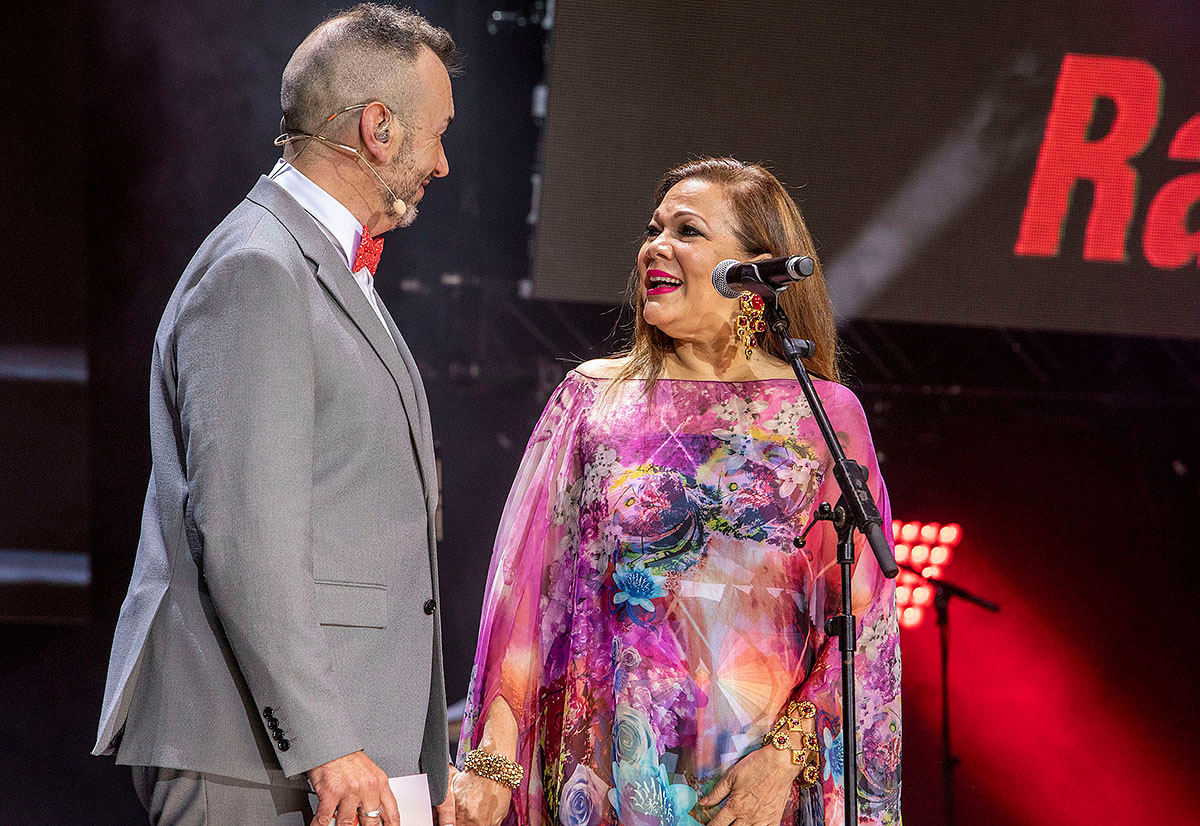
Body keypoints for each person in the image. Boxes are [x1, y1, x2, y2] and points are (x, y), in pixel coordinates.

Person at [93, 5, 460, 825]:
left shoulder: (318, 263)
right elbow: (245, 531)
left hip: (330, 747)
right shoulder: (259, 269)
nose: (442, 163)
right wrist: (326, 742)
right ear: (378, 130)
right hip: (252, 755)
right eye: (437, 134)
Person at [452, 158, 901, 826]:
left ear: (755, 272)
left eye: (687, 231)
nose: (655, 247)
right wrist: (491, 766)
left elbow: (863, 618)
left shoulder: (822, 416)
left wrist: (785, 758)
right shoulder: (592, 401)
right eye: (653, 229)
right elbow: (524, 596)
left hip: (757, 790)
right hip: (610, 776)